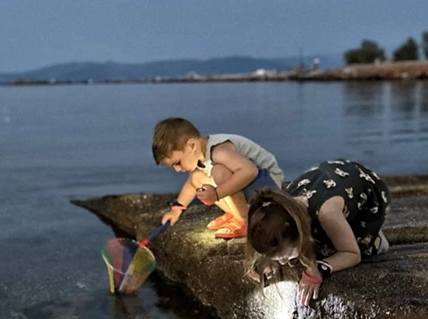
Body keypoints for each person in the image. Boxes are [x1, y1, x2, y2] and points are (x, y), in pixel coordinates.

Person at [246, 158, 390, 306]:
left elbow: (352, 254)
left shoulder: (328, 214)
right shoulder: (280, 208)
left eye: (285, 255)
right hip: (327, 181)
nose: (283, 262)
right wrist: (270, 259)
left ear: (298, 233)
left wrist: (319, 269)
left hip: (367, 196)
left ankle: (376, 240)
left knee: (333, 250)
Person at [152, 117, 284, 240]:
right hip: (254, 188)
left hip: (268, 184)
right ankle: (236, 213)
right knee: (197, 177)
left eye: (177, 163)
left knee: (219, 173)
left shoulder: (219, 151)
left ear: (192, 145)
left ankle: (245, 221)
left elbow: (250, 171)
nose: (177, 169)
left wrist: (216, 194)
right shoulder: (201, 155)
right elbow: (192, 184)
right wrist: (176, 210)